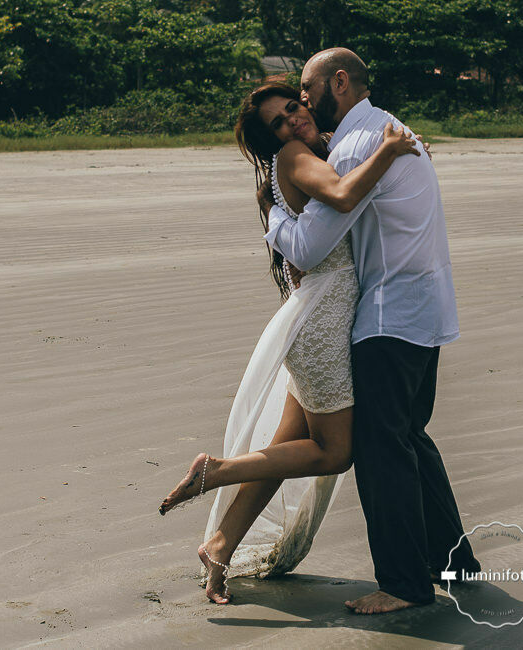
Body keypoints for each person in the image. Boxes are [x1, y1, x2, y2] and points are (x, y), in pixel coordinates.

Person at [159, 79, 422, 604]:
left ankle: (219, 543)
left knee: (285, 449)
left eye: (293, 107)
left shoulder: (307, 152)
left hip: (320, 315)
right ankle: (218, 470)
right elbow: (346, 196)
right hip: (325, 325)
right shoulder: (297, 155)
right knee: (333, 452)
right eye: (278, 122)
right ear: (271, 138)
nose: (292, 121)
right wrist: (391, 149)